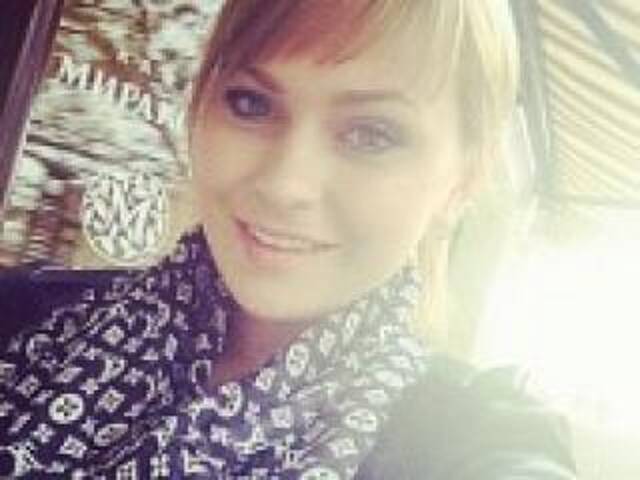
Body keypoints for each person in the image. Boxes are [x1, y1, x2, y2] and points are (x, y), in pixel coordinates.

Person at [0, 1, 577, 478]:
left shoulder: (465, 441)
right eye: (251, 104)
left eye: (372, 134)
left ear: (463, 181)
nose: (284, 185)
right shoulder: (27, 316)